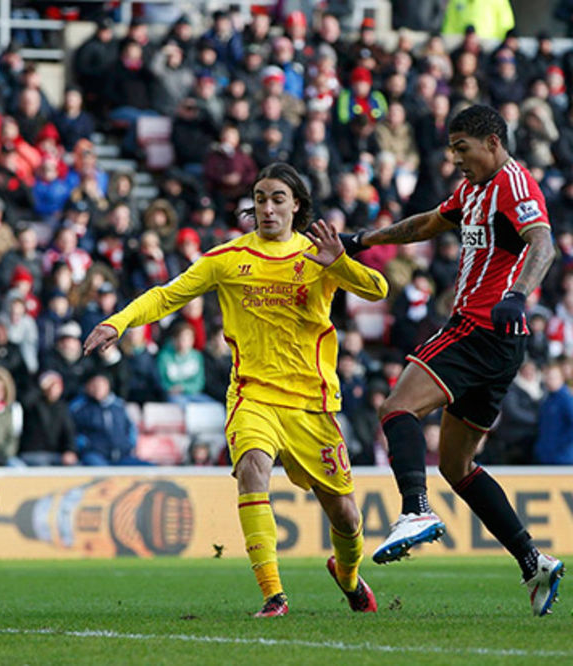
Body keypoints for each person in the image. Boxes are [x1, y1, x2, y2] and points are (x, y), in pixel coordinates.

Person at [84, 163, 388, 617]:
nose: (267, 208)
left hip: (311, 403)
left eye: (277, 199)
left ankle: (346, 575)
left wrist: (341, 263)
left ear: (297, 206)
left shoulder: (320, 254)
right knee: (252, 468)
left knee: (345, 514)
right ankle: (273, 595)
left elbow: (379, 289)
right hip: (253, 395)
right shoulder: (227, 258)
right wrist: (117, 321)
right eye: (260, 198)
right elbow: (167, 294)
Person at [341, 105, 565, 616]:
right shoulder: (473, 190)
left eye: (462, 147)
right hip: (502, 346)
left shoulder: (514, 184)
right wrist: (364, 240)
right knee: (458, 465)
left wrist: (519, 293)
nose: (455, 158)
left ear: (492, 141)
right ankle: (533, 561)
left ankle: (415, 511)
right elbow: (426, 224)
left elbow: (543, 242)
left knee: (396, 408)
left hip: (480, 327)